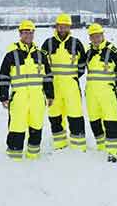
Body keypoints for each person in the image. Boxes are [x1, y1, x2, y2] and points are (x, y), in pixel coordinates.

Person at [0, 20, 54, 161]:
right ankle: (14, 158)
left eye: (30, 32)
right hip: (19, 98)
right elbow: (4, 76)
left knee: (36, 126)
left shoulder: (41, 55)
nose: (28, 35)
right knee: (17, 127)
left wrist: (50, 95)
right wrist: (3, 96)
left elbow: (47, 77)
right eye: (25, 32)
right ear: (20, 34)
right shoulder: (11, 54)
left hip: (37, 99)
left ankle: (33, 156)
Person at [41, 14, 87, 151]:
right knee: (55, 116)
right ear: (56, 27)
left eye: (65, 26)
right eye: (60, 26)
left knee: (75, 115)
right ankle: (60, 144)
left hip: (71, 86)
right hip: (53, 87)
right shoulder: (48, 43)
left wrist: (72, 78)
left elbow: (82, 64)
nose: (62, 28)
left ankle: (78, 145)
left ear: (69, 27)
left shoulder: (76, 43)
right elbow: (41, 64)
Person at [85, 23, 117, 162]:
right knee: (94, 120)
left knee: (111, 121)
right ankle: (101, 146)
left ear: (103, 35)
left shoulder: (112, 51)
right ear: (90, 38)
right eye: (93, 37)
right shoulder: (88, 52)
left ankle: (113, 151)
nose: (96, 39)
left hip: (107, 93)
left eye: (98, 36)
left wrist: (112, 84)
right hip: (91, 93)